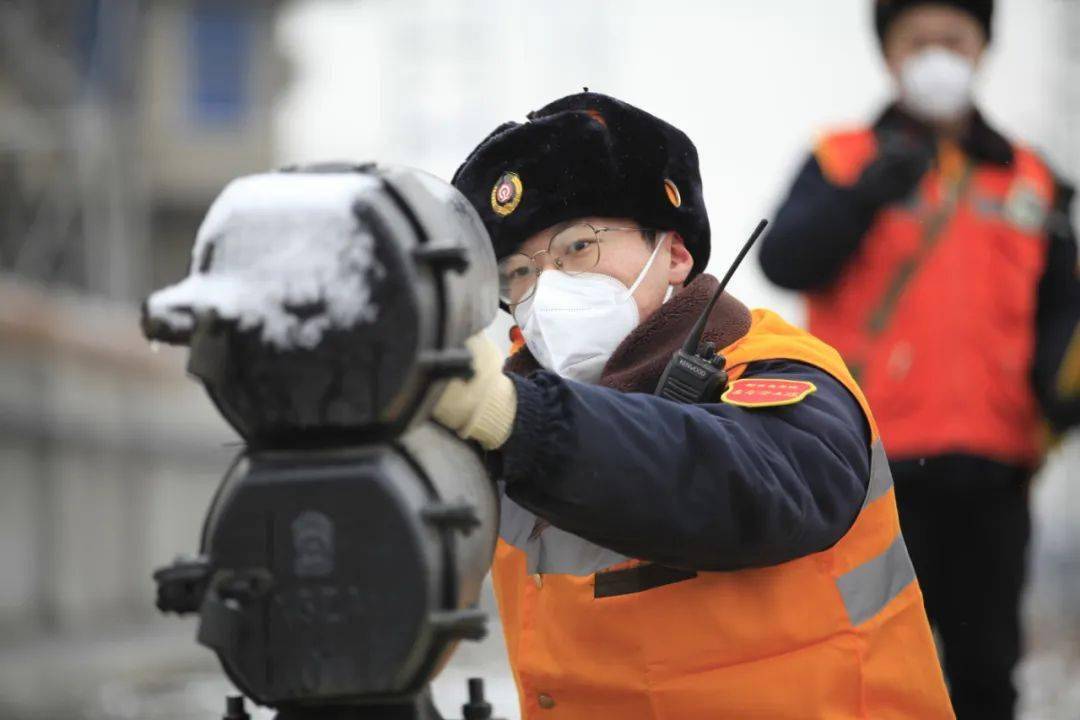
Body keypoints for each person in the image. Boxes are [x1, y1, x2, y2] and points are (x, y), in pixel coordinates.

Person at [430, 90, 954, 719]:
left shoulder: (784, 372)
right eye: (518, 274)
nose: (547, 292)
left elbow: (742, 486)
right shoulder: (498, 416)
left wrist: (516, 417)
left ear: (675, 254)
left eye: (578, 248)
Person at [759, 2, 1080, 718]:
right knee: (862, 673)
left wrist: (1060, 393)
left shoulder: (1034, 179)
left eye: (953, 39)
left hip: (994, 471)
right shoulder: (840, 158)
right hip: (871, 472)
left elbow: (1062, 316)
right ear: (889, 53)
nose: (937, 54)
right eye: (919, 40)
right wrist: (865, 196)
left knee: (986, 676)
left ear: (982, 49)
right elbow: (785, 259)